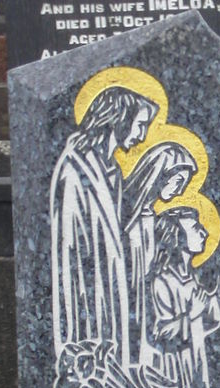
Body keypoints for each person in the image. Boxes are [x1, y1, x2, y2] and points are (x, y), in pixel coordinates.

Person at [50, 86, 158, 368]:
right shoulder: (75, 169)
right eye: (140, 125)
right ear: (119, 119)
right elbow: (73, 244)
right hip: (87, 287)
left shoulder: (111, 170)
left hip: (110, 281)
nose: (142, 135)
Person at [123, 142, 198, 366]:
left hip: (149, 301)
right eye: (178, 181)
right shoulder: (128, 217)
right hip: (132, 297)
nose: (179, 191)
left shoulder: (151, 217)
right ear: (159, 174)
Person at [149, 207, 220, 388]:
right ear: (177, 238)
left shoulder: (192, 279)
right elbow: (160, 335)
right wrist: (191, 314)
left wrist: (215, 297)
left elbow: (208, 323)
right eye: (196, 228)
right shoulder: (162, 281)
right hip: (175, 368)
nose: (204, 233)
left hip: (195, 363)